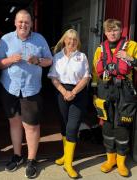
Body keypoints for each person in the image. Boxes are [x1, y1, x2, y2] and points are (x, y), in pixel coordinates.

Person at [0, 9, 52, 178]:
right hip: (10, 88)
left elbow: (49, 60)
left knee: (31, 126)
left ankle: (31, 160)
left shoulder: (40, 39)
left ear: (31, 24)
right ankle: (17, 156)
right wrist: (10, 60)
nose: (23, 24)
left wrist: (38, 61)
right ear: (15, 22)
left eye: (26, 22)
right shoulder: (5, 39)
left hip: (31, 88)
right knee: (14, 122)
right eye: (20, 21)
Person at [92, 19, 137, 177]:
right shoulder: (99, 49)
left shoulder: (132, 46)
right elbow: (94, 73)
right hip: (105, 89)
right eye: (109, 30)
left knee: (122, 124)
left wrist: (130, 58)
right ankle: (110, 159)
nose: (112, 33)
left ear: (120, 31)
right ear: (105, 33)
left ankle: (121, 161)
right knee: (107, 124)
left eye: (115, 30)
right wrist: (95, 93)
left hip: (124, 90)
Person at [48, 29, 91, 178]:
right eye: (69, 39)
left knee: (72, 127)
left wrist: (73, 92)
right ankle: (65, 156)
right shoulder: (57, 56)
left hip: (78, 94)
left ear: (77, 41)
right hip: (62, 92)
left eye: (74, 39)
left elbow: (86, 77)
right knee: (64, 126)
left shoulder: (82, 56)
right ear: (64, 40)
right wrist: (64, 91)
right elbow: (53, 77)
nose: (72, 42)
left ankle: (68, 164)